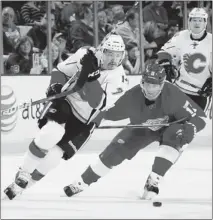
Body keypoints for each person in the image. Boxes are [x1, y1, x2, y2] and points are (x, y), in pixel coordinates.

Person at [3, 33, 128, 200]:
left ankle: (23, 186)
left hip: (86, 119)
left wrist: (91, 77)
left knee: (54, 157)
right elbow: (60, 71)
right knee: (52, 132)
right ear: (101, 50)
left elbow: (96, 104)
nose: (113, 59)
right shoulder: (85, 54)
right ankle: (24, 172)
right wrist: (55, 85)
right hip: (67, 102)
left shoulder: (120, 79)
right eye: (110, 53)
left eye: (118, 55)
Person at [62, 59, 206, 200]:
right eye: (148, 84)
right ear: (141, 82)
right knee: (115, 152)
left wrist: (191, 127)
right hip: (143, 128)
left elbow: (200, 118)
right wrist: (92, 121)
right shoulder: (132, 96)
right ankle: (82, 182)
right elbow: (108, 112)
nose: (150, 89)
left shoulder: (172, 94)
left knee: (176, 135)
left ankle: (154, 180)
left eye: (155, 85)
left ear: (162, 85)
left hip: (171, 126)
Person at [159, 7, 212, 116]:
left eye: (200, 20)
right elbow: (163, 52)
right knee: (173, 123)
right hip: (179, 89)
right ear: (189, 21)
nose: (197, 23)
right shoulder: (180, 36)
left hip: (201, 93)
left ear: (205, 23)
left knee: (193, 126)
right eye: (194, 20)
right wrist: (166, 65)